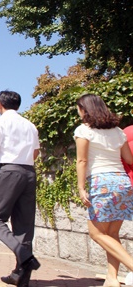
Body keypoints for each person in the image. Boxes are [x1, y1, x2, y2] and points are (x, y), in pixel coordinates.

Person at [0, 90, 40, 287]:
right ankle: (20, 276)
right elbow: (36, 152)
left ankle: (25, 256)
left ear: (0, 104)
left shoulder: (0, 121)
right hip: (29, 172)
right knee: (24, 226)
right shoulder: (30, 125)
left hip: (9, 171)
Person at [74, 94, 133, 287]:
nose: (78, 112)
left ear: (85, 109)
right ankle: (112, 279)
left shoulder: (83, 130)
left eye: (78, 108)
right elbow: (129, 159)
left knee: (97, 234)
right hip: (122, 182)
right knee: (112, 235)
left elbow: (82, 161)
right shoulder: (118, 131)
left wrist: (81, 187)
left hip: (101, 182)